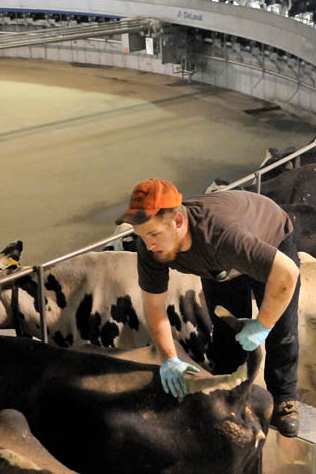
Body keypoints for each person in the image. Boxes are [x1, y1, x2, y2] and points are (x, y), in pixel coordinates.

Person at [116, 178, 301, 437]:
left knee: (282, 330)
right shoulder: (151, 250)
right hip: (219, 266)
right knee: (225, 331)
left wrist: (263, 325)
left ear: (178, 221)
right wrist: (169, 358)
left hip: (268, 238)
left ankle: (284, 400)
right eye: (142, 236)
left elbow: (287, 275)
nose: (148, 245)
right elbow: (154, 307)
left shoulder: (220, 235)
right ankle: (226, 393)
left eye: (154, 234)